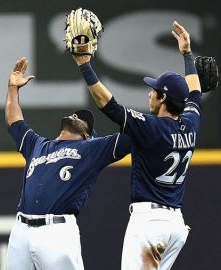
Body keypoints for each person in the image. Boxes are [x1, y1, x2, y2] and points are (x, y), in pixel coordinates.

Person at [72, 21, 202, 269]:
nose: (149, 93)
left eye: (154, 90)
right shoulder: (191, 122)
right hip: (175, 224)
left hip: (150, 224)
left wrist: (84, 65)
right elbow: (194, 93)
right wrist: (186, 53)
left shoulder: (151, 127)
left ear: (163, 98)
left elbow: (108, 105)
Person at [5, 57, 132, 270]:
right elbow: (14, 121)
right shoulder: (37, 144)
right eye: (77, 115)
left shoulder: (91, 150)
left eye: (84, 121)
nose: (76, 116)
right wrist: (12, 89)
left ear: (87, 136)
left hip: (57, 232)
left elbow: (135, 134)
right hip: (21, 231)